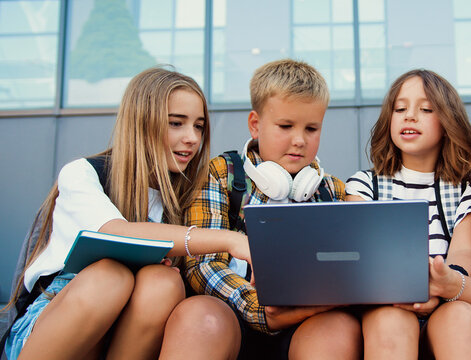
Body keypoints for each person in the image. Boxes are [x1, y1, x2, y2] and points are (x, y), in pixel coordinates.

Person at [2, 67, 251, 360]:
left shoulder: (191, 194)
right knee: (109, 278)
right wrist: (227, 239)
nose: (192, 138)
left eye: (198, 126)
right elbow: (114, 232)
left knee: (164, 282)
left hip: (131, 338)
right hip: (54, 323)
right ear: (141, 123)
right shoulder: (84, 173)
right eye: (176, 123)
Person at [181, 58, 362, 360]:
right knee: (199, 315)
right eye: (285, 126)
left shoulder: (333, 190)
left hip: (305, 321)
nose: (299, 140)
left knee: (338, 329)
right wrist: (258, 307)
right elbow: (204, 264)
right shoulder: (222, 173)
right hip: (232, 312)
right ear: (255, 124)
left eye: (311, 128)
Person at [345, 69, 471, 359]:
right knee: (389, 319)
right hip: (385, 304)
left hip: (449, 299)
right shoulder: (363, 184)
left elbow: (462, 254)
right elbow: (359, 256)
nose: (410, 116)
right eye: (400, 109)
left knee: (459, 319)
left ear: (447, 122)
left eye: (425, 109)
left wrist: (442, 285)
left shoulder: (469, 187)